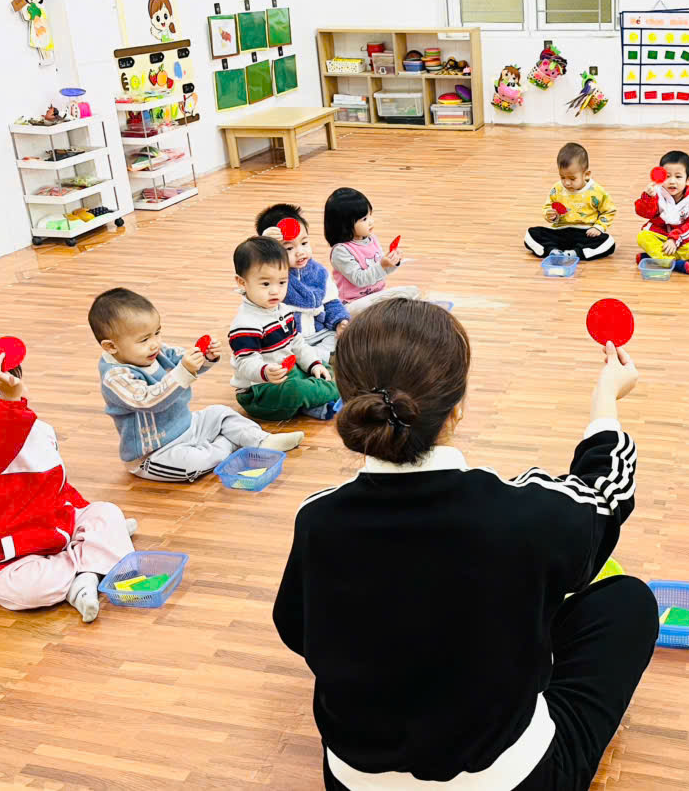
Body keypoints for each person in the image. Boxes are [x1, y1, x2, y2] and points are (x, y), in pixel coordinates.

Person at [273, 299, 658, 790]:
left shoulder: (317, 518)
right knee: (628, 602)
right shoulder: (524, 515)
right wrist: (606, 399)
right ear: (456, 407)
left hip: (352, 782)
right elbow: (607, 494)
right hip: (515, 782)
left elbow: (296, 629)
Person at [0, 337, 135, 622]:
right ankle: (89, 568)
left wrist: (81, 513)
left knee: (107, 513)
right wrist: (9, 403)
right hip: (5, 557)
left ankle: (86, 572)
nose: (20, 390)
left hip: (53, 526)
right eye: (8, 390)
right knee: (31, 589)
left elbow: (57, 483)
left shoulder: (35, 427)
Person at [91, 288, 303, 482]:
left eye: (157, 333)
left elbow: (183, 361)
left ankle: (262, 440)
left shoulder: (155, 351)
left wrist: (205, 357)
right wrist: (184, 370)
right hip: (155, 452)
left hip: (187, 425)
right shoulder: (115, 377)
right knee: (192, 464)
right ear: (111, 347)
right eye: (144, 340)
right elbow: (149, 401)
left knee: (220, 413)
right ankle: (227, 445)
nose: (155, 343)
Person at [228, 236, 341, 422]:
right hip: (261, 391)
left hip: (288, 372)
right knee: (294, 390)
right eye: (266, 284)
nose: (275, 291)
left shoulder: (283, 310)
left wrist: (314, 364)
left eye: (282, 282)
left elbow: (297, 343)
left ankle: (316, 400)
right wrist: (265, 371)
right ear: (242, 282)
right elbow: (245, 363)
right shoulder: (245, 324)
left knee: (321, 366)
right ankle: (334, 391)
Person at [255, 203, 349, 359]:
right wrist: (264, 249)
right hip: (288, 339)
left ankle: (315, 358)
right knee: (277, 352)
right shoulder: (268, 274)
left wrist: (340, 321)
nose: (300, 252)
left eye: (304, 243)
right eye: (289, 248)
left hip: (319, 333)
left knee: (343, 339)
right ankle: (317, 359)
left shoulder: (319, 272)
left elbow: (331, 303)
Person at [324, 187, 421, 315]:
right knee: (405, 296)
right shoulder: (341, 251)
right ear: (345, 225)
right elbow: (360, 280)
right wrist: (382, 265)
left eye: (370, 215)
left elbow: (381, 272)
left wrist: (392, 262)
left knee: (412, 293)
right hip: (354, 304)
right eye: (364, 219)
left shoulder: (372, 239)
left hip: (376, 297)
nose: (371, 221)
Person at [523, 142, 617, 261]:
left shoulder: (597, 191)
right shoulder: (557, 188)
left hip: (585, 233)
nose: (567, 183)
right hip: (560, 232)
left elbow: (609, 211)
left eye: (572, 178)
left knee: (608, 242)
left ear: (586, 174)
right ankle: (552, 251)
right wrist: (550, 215)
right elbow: (548, 207)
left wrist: (598, 227)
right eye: (562, 177)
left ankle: (575, 253)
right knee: (531, 234)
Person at [634, 150, 689, 275]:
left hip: (681, 239)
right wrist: (648, 198)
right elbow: (644, 213)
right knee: (642, 237)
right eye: (667, 176)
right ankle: (674, 264)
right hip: (660, 235)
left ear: (688, 179)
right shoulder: (656, 193)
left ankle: (655, 257)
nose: (672, 181)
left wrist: (675, 239)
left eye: (678, 177)